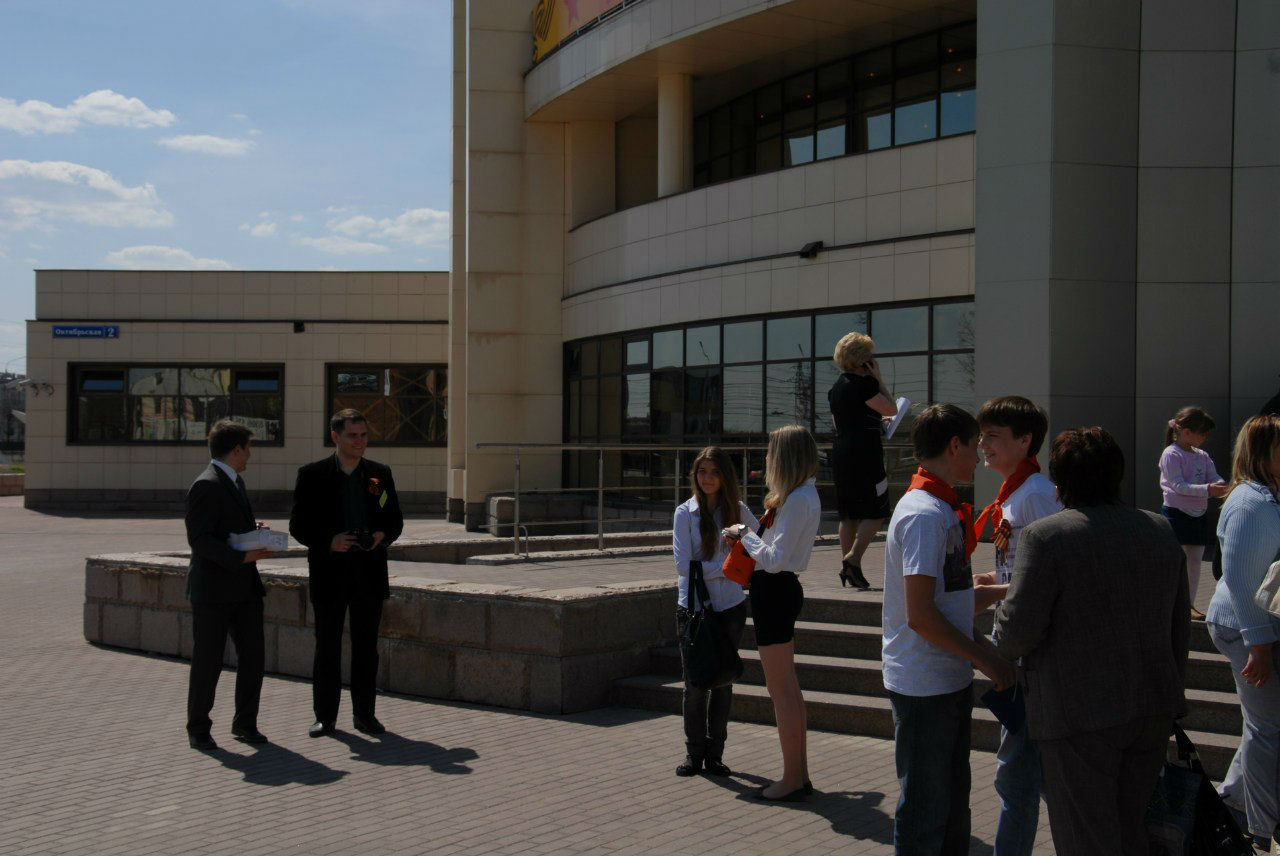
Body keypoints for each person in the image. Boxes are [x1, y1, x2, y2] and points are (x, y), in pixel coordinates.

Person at [994, 427, 1190, 855]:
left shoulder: (1047, 537)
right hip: (1152, 704)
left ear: (1060, 480)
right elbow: (1179, 626)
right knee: (1133, 831)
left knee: (1085, 837)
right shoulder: (1159, 529)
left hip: (1077, 715)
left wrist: (994, 616)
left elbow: (1015, 633)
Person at [882, 403, 1014, 854]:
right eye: (976, 445)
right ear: (954, 446)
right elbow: (921, 615)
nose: (980, 456)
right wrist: (986, 658)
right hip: (924, 685)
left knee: (952, 808)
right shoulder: (924, 514)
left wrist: (1003, 592)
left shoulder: (940, 507)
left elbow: (948, 605)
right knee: (926, 813)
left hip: (944, 680)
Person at [973, 396, 1061, 856]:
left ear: (1025, 441)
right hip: (1020, 639)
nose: (983, 444)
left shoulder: (1036, 495)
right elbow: (1026, 568)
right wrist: (995, 579)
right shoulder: (1016, 492)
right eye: (982, 435)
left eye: (993, 436)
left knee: (1016, 776)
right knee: (1032, 775)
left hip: (1032, 647)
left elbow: (1052, 575)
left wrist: (995, 593)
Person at [289, 409, 403, 737]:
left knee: (366, 648)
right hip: (329, 575)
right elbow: (298, 525)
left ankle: (365, 716)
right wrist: (329, 541)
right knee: (327, 647)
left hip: (369, 574)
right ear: (335, 437)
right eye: (353, 436)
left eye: (364, 435)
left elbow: (395, 519)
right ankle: (325, 717)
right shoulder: (312, 475)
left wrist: (382, 535)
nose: (360, 442)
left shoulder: (379, 475)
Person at [724, 424, 822, 801]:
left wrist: (743, 535)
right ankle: (799, 774)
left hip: (775, 590)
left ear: (784, 458)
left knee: (781, 689)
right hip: (780, 590)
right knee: (788, 688)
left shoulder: (797, 499)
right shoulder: (803, 494)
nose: (767, 459)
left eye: (770, 453)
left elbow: (775, 559)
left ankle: (793, 778)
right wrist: (749, 532)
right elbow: (778, 550)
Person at [1207, 414, 1280, 852]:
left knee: (1264, 724)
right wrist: (1260, 645)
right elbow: (1238, 580)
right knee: (1268, 728)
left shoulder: (1267, 496)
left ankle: (1234, 801)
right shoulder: (1251, 504)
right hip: (1245, 627)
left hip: (1255, 627)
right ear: (1264, 454)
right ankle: (1262, 828)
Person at [184, 419, 273, 750]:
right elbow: (200, 539)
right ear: (236, 450)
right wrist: (241, 557)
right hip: (213, 592)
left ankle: (245, 724)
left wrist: (253, 532)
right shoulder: (206, 484)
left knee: (253, 658)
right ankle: (198, 728)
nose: (250, 455)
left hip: (245, 590)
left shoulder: (234, 480)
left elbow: (225, 528)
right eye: (248, 449)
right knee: (208, 662)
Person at [671, 446, 758, 778]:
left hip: (730, 607)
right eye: (702, 472)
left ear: (725, 477)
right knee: (694, 685)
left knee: (723, 682)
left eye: (714, 472)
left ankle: (715, 755)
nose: (707, 478)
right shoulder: (685, 513)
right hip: (693, 609)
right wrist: (726, 565)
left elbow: (761, 543)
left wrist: (740, 538)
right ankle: (693, 754)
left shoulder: (737, 509)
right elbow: (683, 566)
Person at [828, 331, 899, 589]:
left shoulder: (836, 388)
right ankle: (853, 558)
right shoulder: (864, 385)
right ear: (863, 361)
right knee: (878, 510)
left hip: (841, 454)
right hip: (865, 454)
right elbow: (892, 408)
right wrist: (878, 379)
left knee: (849, 514)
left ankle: (850, 569)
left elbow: (847, 419)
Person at [1160, 406, 1228, 620]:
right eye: (1203, 433)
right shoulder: (1171, 453)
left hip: (1198, 513)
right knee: (1176, 561)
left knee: (1196, 560)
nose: (1205, 438)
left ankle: (1188, 604)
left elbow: (1213, 476)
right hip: (1176, 513)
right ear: (1187, 432)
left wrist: (1220, 485)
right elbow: (1178, 485)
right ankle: (1171, 603)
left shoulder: (1202, 455)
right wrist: (1208, 489)